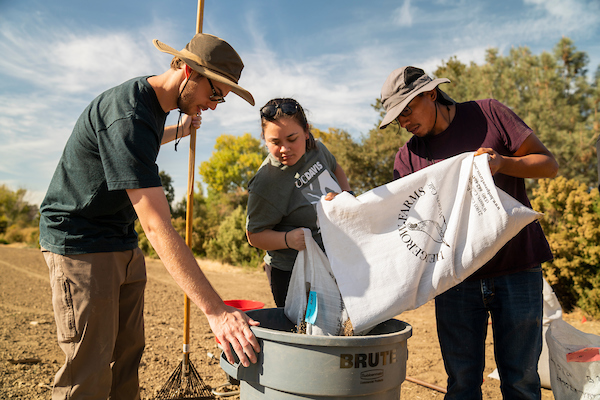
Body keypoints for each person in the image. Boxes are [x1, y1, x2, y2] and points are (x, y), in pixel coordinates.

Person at [39, 33, 261, 400]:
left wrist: (181, 127)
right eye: (216, 93)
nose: (216, 105)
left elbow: (141, 140)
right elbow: (157, 225)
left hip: (120, 237)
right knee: (89, 371)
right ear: (188, 71)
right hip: (79, 243)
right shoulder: (127, 112)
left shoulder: (151, 110)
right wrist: (216, 310)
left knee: (126, 359)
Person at [379, 66, 558, 399]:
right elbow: (401, 223)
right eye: (396, 118)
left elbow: (548, 164)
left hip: (517, 269)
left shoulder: (490, 114)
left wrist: (504, 163)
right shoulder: (407, 158)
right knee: (462, 384)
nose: (404, 122)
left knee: (521, 380)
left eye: (407, 110)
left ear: (431, 94)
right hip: (455, 281)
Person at [245, 98, 352, 307]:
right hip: (292, 274)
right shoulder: (265, 182)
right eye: (275, 142)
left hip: (334, 259)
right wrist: (288, 240)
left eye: (292, 138)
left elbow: (336, 167)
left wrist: (346, 195)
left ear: (306, 131)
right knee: (305, 335)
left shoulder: (317, 149)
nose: (285, 149)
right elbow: (254, 235)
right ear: (264, 140)